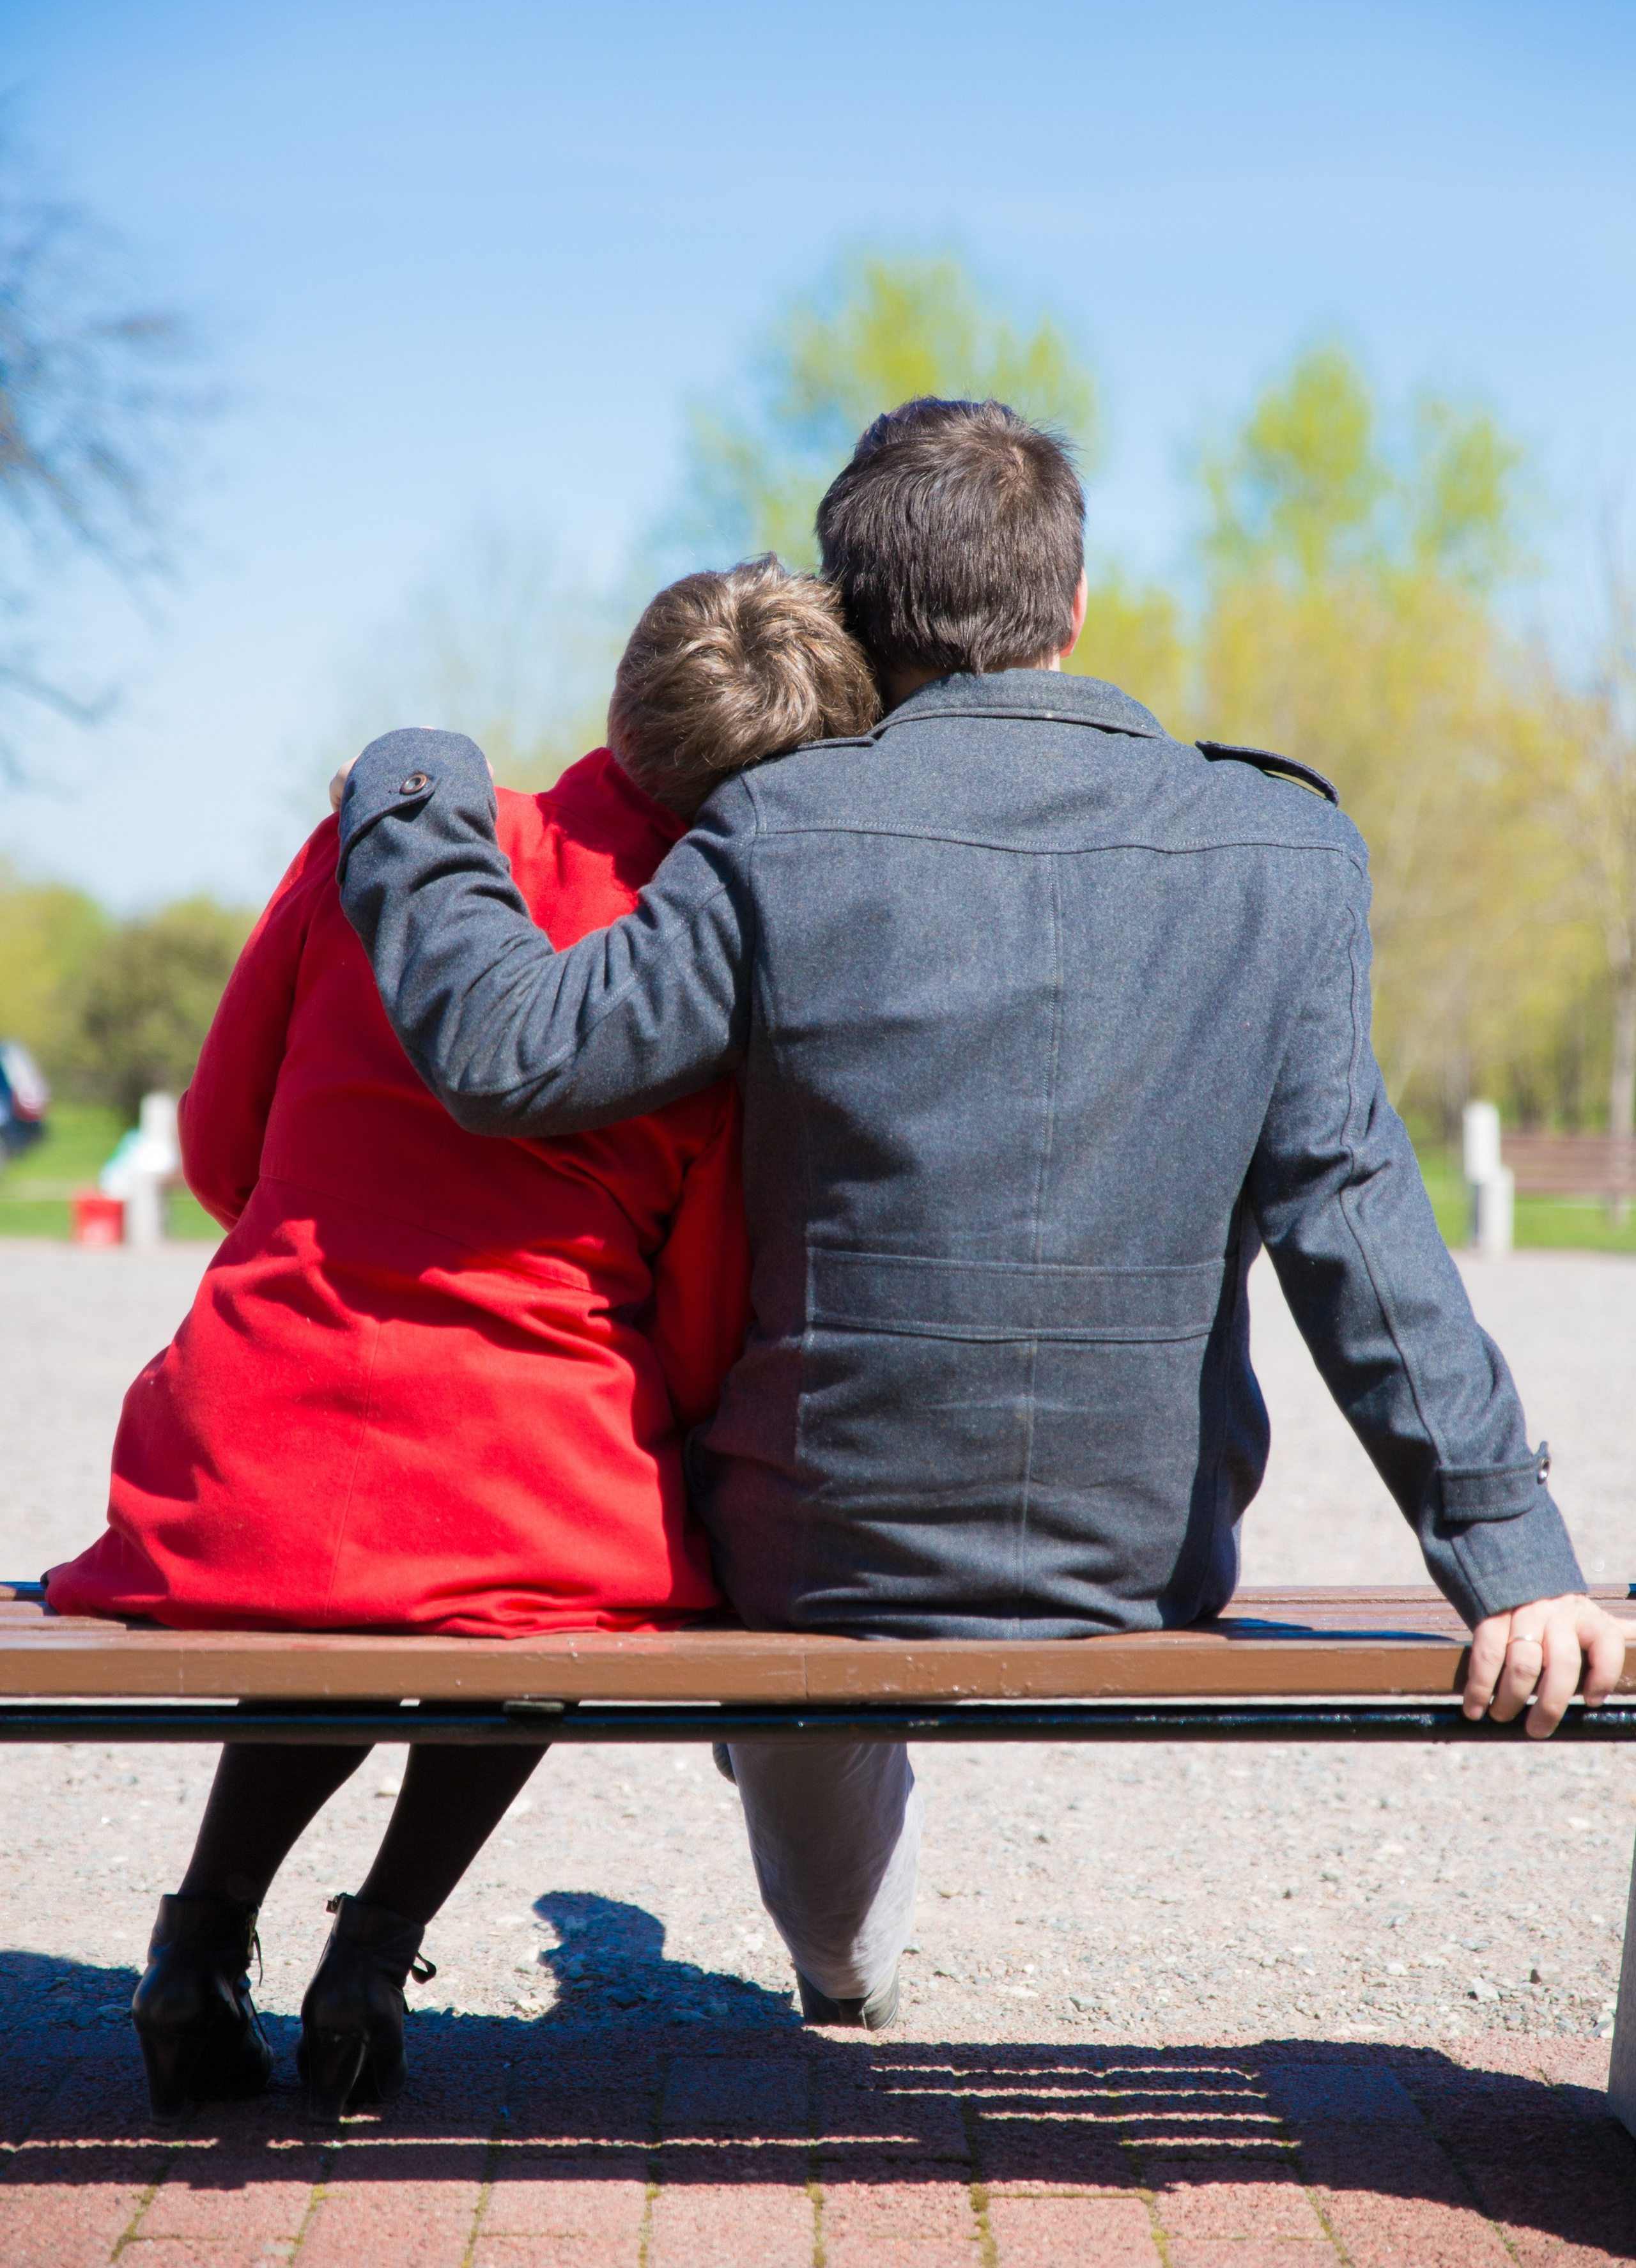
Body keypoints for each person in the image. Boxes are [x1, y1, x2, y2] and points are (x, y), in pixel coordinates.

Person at [334, 398, 1626, 2033]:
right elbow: (1352, 1220)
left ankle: (842, 1963)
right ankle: (843, 1948)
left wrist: (412, 791)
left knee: (770, 1580)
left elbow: (512, 1052)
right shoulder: (1282, 851)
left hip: (811, 1558)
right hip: (1143, 1561)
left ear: (854, 619)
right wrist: (1510, 1556)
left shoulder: (772, 836)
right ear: (1072, 606)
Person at [45, 555, 880, 2122]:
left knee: (365, 1549)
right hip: (531, 1489)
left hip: (243, 1450)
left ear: (630, 700)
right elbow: (698, 1328)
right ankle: (373, 1955)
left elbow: (223, 1148)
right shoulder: (721, 965)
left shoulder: (410, 848)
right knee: (534, 1577)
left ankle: (198, 1939)